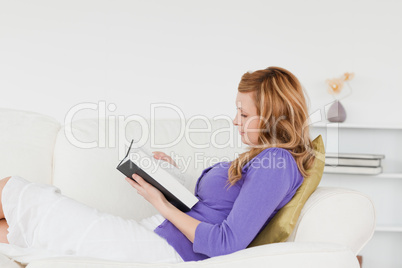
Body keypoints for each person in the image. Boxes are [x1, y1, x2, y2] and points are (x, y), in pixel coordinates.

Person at [0, 66, 315, 263]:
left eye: (244, 114)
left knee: (22, 195)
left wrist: (161, 203)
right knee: (11, 226)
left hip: (165, 250)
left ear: (274, 115)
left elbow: (225, 244)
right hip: (158, 236)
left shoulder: (277, 162)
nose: (235, 120)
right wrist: (171, 174)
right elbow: (213, 208)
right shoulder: (263, 157)